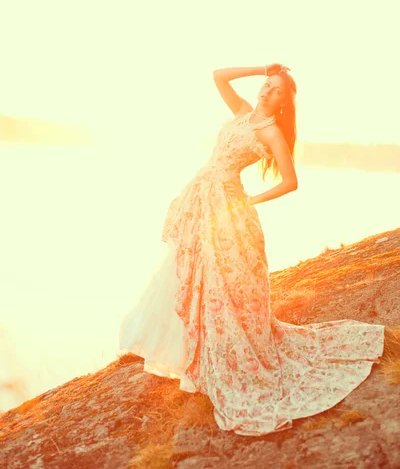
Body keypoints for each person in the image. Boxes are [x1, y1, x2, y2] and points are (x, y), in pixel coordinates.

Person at [119, 63, 385, 436]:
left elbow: (291, 181)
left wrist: (251, 201)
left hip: (229, 207)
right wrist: (263, 66)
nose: (266, 91)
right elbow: (217, 75)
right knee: (190, 274)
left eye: (276, 90)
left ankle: (222, 360)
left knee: (222, 288)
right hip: (201, 199)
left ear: (283, 103)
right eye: (267, 84)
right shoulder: (243, 112)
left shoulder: (271, 131)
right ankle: (193, 352)